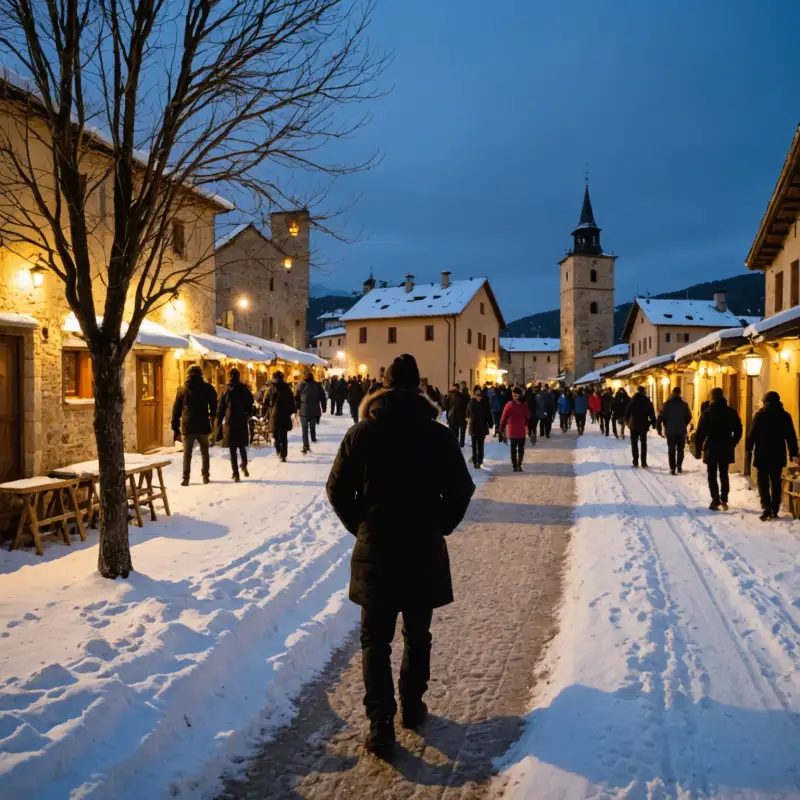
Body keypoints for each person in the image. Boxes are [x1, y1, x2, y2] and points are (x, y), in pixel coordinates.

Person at [326, 354, 475, 758]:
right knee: (417, 633)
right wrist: (440, 524)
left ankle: (380, 724)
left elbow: (337, 489)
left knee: (375, 640)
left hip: (377, 549)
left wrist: (362, 525)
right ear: (419, 388)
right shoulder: (438, 435)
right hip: (422, 548)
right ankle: (411, 706)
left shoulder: (362, 433)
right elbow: (462, 489)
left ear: (385, 386)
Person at [746, 391, 799, 521]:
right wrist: (793, 453)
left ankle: (766, 507)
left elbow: (751, 434)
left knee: (762, 482)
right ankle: (775, 508)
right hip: (777, 455)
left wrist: (749, 449)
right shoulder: (784, 416)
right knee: (776, 482)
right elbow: (791, 436)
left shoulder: (760, 416)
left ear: (765, 402)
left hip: (762, 454)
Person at [695, 387, 743, 511]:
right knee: (724, 473)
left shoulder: (707, 412)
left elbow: (700, 433)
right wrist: (733, 442)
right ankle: (724, 498)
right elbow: (739, 429)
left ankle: (715, 499)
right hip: (726, 446)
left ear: (712, 397)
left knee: (711, 474)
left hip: (711, 446)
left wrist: (698, 449)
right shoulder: (731, 412)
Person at [171, 365, 217, 486]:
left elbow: (176, 409)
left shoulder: (182, 389)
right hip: (202, 424)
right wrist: (212, 418)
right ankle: (205, 476)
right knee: (205, 451)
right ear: (201, 374)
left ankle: (186, 478)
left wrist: (175, 425)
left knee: (187, 453)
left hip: (188, 424)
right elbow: (214, 405)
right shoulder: (207, 388)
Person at [216, 367, 254, 482]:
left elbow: (220, 407)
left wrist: (219, 419)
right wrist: (248, 414)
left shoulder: (225, 390)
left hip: (230, 421)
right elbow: (250, 405)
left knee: (232, 449)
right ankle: (244, 464)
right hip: (241, 420)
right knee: (242, 446)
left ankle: (235, 473)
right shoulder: (244, 389)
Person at [657, 386, 692, 475]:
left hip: (670, 431)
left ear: (672, 393)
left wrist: (660, 428)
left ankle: (672, 468)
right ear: (680, 393)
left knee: (671, 449)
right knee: (680, 449)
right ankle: (679, 466)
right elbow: (689, 417)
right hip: (681, 431)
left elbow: (660, 417)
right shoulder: (684, 405)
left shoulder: (666, 405)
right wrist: (684, 424)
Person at [265, 371, 296, 462]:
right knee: (284, 435)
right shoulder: (287, 387)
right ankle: (283, 455)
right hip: (285, 414)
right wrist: (292, 411)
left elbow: (265, 401)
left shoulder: (270, 388)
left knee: (275, 434)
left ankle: (278, 450)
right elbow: (292, 400)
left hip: (273, 415)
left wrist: (267, 409)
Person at [295, 370, 327, 454]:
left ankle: (306, 445)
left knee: (304, 430)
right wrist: (324, 407)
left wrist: (297, 407)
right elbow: (322, 397)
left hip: (303, 410)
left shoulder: (300, 385)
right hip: (314, 410)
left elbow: (296, 397)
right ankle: (313, 437)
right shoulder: (318, 385)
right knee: (312, 425)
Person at [624, 386, 657, 468]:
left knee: (634, 444)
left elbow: (627, 412)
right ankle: (644, 462)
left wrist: (627, 422)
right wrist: (653, 423)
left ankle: (635, 461)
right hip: (644, 425)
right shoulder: (647, 401)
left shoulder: (632, 400)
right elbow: (652, 414)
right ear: (644, 392)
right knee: (643, 444)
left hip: (634, 425)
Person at [500, 386, 531, 472]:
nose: (514, 396)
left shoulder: (509, 404)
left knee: (514, 449)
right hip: (518, 430)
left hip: (514, 430)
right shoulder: (523, 405)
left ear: (519, 395)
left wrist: (501, 427)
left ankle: (516, 465)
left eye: (515, 395)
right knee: (519, 449)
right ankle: (518, 465)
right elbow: (528, 417)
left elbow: (504, 417)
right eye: (513, 395)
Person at [466, 386, 492, 468]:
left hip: (481, 426)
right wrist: (468, 420)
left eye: (480, 395)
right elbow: (467, 415)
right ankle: (475, 461)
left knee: (480, 445)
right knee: (474, 445)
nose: (479, 397)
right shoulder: (471, 403)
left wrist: (490, 423)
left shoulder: (484, 403)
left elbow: (488, 414)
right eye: (477, 395)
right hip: (474, 426)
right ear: (474, 395)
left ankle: (479, 461)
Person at [446, 383, 468, 447]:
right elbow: (467, 405)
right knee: (462, 431)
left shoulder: (449, 395)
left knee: (454, 431)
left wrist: (447, 415)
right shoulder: (463, 395)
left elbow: (446, 406)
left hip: (452, 415)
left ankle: (454, 444)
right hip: (462, 416)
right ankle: (461, 444)